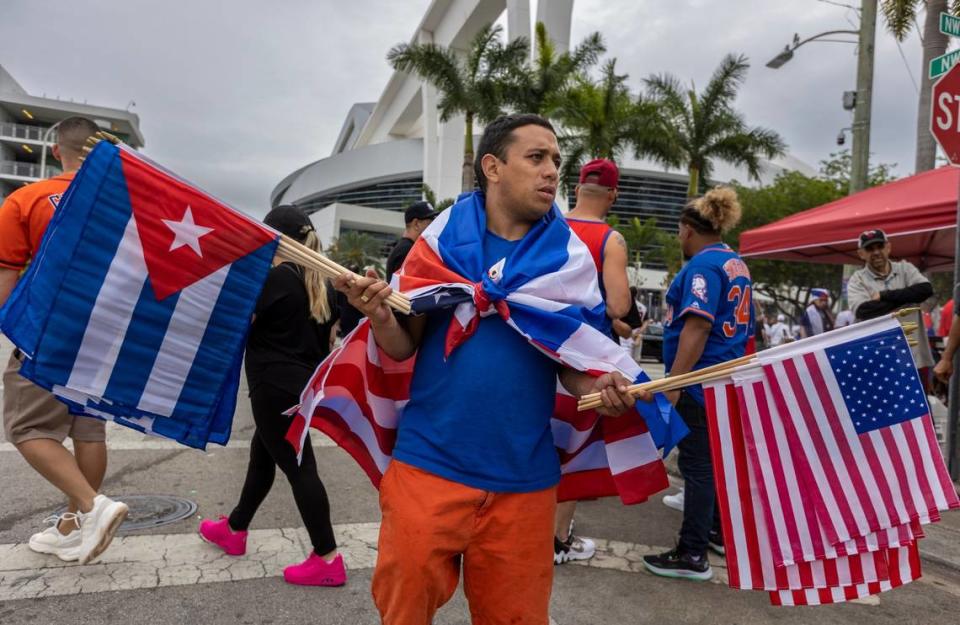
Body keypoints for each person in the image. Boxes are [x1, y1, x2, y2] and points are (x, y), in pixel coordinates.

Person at [334, 114, 641, 624]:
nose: (551, 172)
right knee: (402, 613)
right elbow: (403, 345)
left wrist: (600, 382)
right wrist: (382, 314)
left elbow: (574, 363)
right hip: (427, 467)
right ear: (493, 167)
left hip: (524, 482)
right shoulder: (438, 244)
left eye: (557, 162)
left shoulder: (567, 260)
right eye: (536, 157)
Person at [0, 116, 129, 565]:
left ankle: (93, 507)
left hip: (47, 329)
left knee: (27, 427)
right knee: (86, 428)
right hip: (101, 332)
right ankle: (74, 525)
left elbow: (5, 275)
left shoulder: (25, 199)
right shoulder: (121, 206)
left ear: (57, 151)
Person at [198, 206, 344, 587]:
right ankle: (234, 528)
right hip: (300, 386)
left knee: (300, 468)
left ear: (276, 238)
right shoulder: (322, 283)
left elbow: (235, 326)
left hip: (272, 384)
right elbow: (329, 340)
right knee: (262, 459)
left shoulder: (277, 278)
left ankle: (327, 557)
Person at [643, 186, 752, 582]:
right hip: (724, 378)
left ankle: (692, 553)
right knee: (714, 464)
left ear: (688, 230)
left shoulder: (703, 267)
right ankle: (717, 533)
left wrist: (675, 381)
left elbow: (698, 324)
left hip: (701, 380)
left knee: (699, 467)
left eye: (678, 232)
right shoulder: (735, 261)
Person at [556, 158, 632, 564]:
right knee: (572, 453)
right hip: (584, 362)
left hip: (537, 350)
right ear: (613, 194)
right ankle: (557, 541)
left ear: (577, 187)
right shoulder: (611, 239)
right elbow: (619, 305)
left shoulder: (550, 225)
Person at [847, 229, 933, 320]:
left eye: (880, 246)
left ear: (888, 247)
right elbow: (863, 311)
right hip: (881, 334)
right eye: (869, 249)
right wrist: (908, 298)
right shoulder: (857, 279)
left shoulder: (905, 268)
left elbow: (926, 289)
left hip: (911, 334)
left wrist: (884, 295)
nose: (876, 252)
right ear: (861, 254)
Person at [385, 200, 438, 282]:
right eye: (429, 223)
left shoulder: (404, 247)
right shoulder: (408, 250)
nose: (432, 227)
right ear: (416, 224)